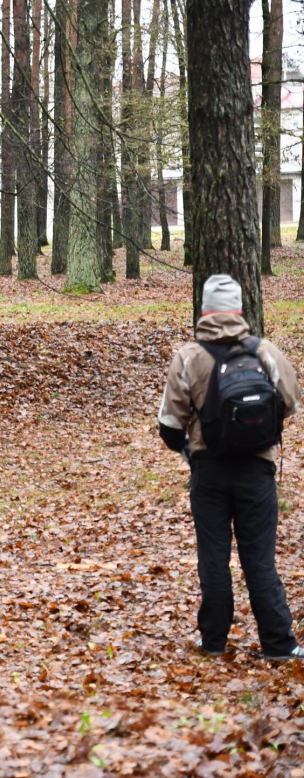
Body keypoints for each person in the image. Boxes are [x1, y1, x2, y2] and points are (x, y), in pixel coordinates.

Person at [158, 274, 303, 660]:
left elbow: (169, 426)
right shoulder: (265, 352)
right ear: (239, 308)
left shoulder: (188, 357)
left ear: (205, 309)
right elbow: (290, 403)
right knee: (260, 560)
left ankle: (214, 642)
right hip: (257, 473)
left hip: (209, 473)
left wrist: (191, 448)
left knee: (214, 559)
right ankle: (279, 643)